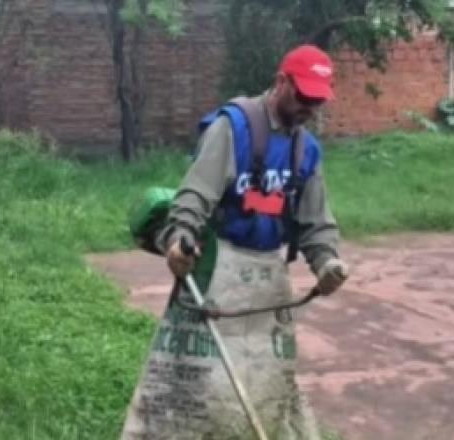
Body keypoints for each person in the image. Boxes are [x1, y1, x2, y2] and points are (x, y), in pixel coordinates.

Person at [121, 44, 349, 440]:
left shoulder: (305, 149)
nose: (310, 108)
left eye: (318, 101)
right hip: (215, 267)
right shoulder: (233, 128)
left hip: (267, 276)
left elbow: (316, 221)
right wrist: (180, 238)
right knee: (198, 379)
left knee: (265, 378)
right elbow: (195, 193)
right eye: (304, 97)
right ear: (281, 83)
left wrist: (327, 262)